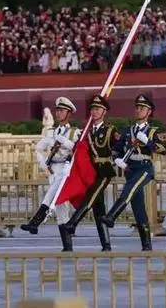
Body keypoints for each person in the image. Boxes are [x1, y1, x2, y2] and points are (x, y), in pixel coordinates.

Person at [100, 94, 166, 251]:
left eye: (142, 108)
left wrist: (147, 141)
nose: (138, 110)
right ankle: (146, 245)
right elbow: (116, 149)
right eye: (137, 107)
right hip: (130, 169)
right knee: (138, 207)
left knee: (128, 190)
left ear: (149, 112)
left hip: (145, 168)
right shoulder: (127, 131)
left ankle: (111, 216)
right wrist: (117, 160)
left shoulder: (152, 131)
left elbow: (163, 150)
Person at [20, 97, 81, 252]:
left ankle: (35, 222)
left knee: (53, 195)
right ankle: (67, 247)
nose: (58, 113)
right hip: (54, 170)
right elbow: (39, 149)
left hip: (66, 170)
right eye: (58, 110)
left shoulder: (75, 132)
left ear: (69, 113)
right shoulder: (51, 132)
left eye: (62, 111)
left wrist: (67, 143)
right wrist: (44, 166)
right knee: (60, 208)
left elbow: (80, 150)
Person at [62, 95, 119, 250]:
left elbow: (119, 147)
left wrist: (119, 158)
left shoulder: (110, 130)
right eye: (92, 109)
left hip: (105, 171)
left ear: (104, 112)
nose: (94, 112)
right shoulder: (86, 131)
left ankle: (72, 223)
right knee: (99, 208)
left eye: (98, 109)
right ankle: (106, 244)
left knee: (91, 197)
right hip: (92, 172)